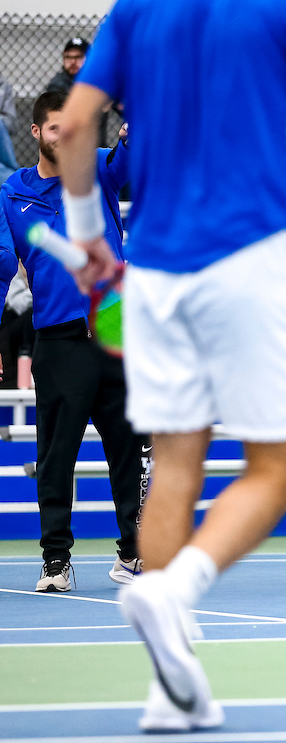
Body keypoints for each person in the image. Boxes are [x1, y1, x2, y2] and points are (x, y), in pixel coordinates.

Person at [55, 0, 286, 731]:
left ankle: (171, 684)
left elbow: (75, 124)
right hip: (247, 263)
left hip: (152, 271)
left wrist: (89, 237)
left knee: (175, 461)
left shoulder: (139, 2)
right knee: (281, 462)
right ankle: (173, 590)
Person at [0, 91, 147, 592]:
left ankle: (133, 554)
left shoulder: (99, 170)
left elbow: (131, 153)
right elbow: (2, 270)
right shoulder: (11, 194)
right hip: (58, 341)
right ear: (38, 133)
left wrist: (131, 119)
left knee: (130, 447)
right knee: (56, 454)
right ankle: (56, 561)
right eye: (57, 129)